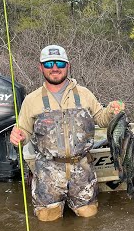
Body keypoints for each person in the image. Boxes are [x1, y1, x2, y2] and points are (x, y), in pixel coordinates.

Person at [9, 44, 125, 222]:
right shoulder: (31, 100)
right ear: (41, 67)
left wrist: (111, 111)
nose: (54, 68)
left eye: (60, 64)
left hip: (83, 171)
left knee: (89, 217)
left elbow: (101, 119)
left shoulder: (85, 94)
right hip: (47, 174)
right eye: (48, 64)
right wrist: (18, 137)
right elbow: (23, 131)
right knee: (48, 222)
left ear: (68, 66)